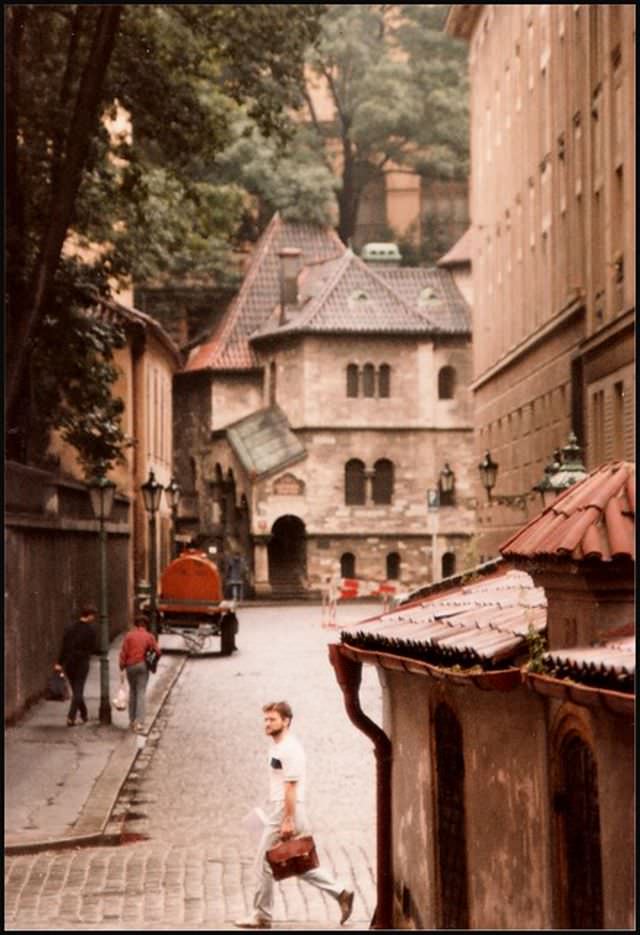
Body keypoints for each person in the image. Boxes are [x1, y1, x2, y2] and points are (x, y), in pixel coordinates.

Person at [234, 701, 354, 929]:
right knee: (297, 863)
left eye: (272, 719)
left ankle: (261, 916)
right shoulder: (278, 747)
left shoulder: (290, 748)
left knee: (263, 863)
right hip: (283, 808)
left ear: (286, 721)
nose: (267, 724)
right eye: (266, 719)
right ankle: (341, 893)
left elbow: (291, 786)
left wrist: (287, 819)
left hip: (287, 809)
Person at [54, 603, 98, 726]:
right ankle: (71, 717)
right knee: (78, 690)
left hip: (69, 662)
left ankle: (84, 714)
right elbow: (93, 648)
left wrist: (59, 662)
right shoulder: (91, 630)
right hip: (82, 662)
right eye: (93, 616)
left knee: (76, 689)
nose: (93, 618)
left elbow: (64, 646)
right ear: (89, 616)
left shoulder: (70, 628)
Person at [118, 615, 161, 733]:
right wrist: (152, 663)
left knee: (133, 691)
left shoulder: (129, 636)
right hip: (143, 666)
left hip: (130, 666)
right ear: (146, 625)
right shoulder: (149, 636)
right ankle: (139, 722)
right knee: (141, 692)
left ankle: (131, 720)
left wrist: (122, 666)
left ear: (136, 624)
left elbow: (123, 652)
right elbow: (158, 652)